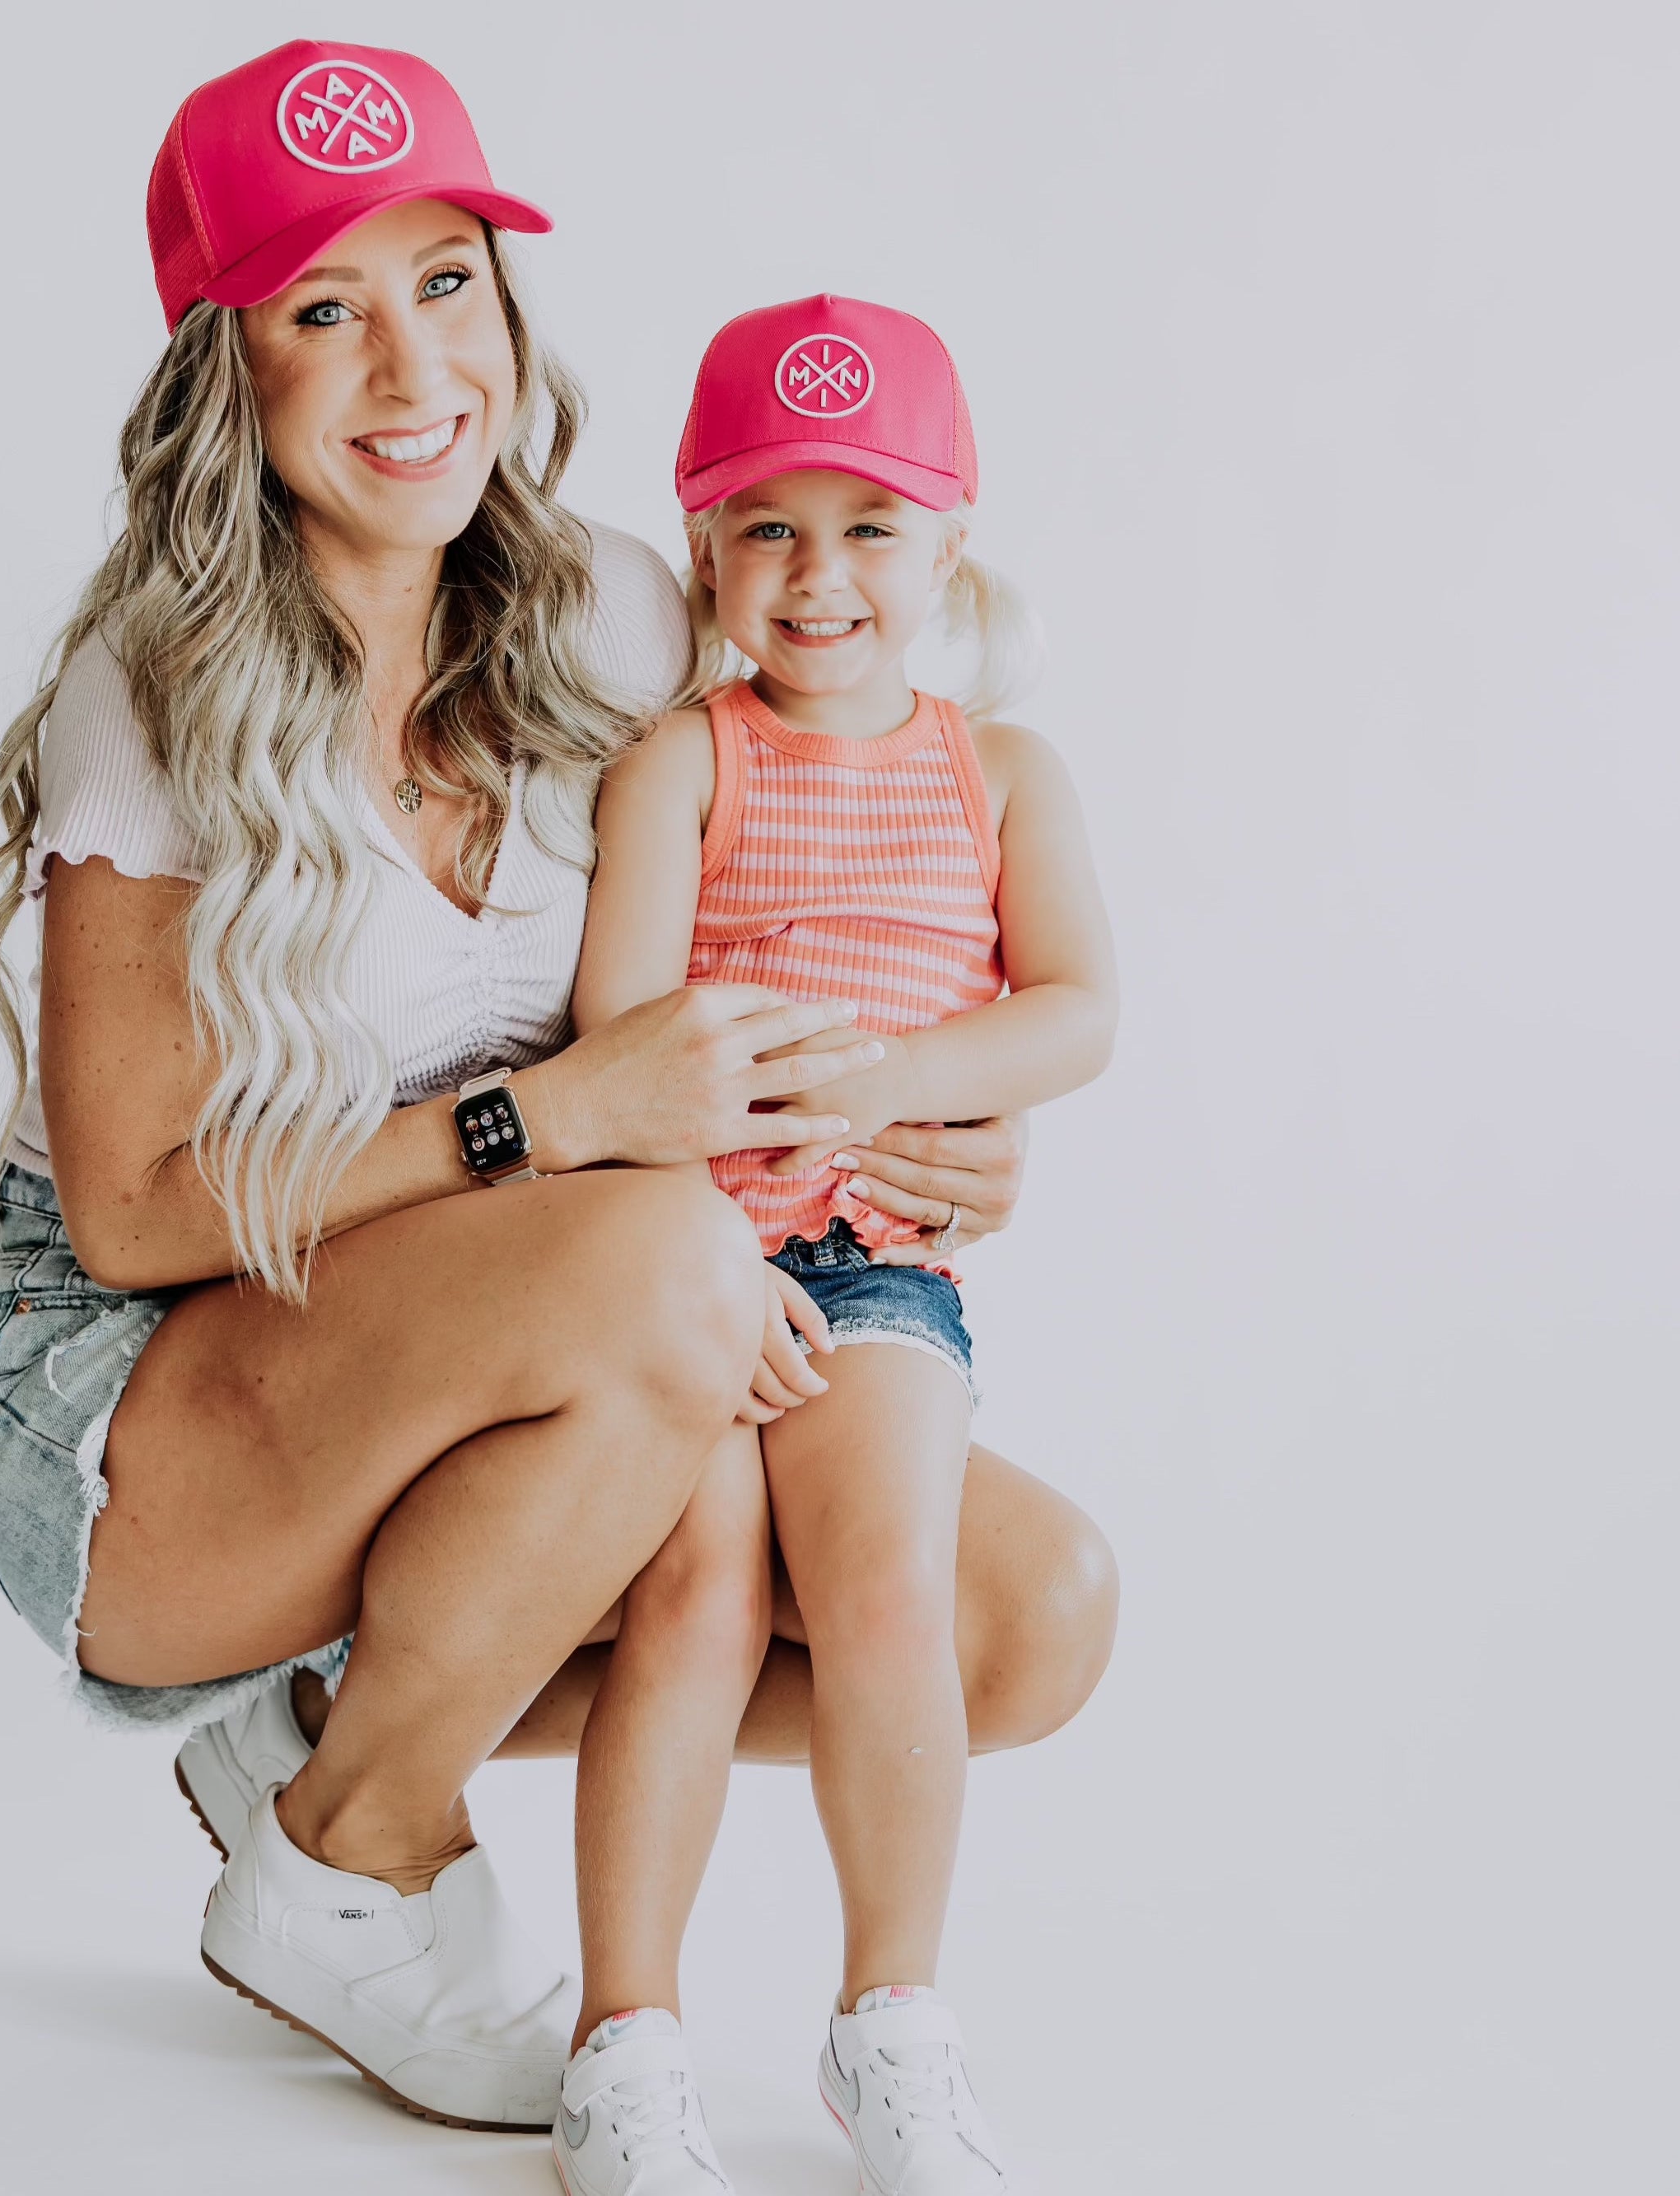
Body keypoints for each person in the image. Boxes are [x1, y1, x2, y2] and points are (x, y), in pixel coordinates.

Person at [0, 39, 1116, 2140]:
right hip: (130, 1393)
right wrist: (548, 1126)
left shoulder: (616, 613)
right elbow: (125, 1208)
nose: (409, 366)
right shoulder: (161, 684)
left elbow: (820, 920)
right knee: (656, 1255)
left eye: (446, 281)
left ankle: (326, 1707)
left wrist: (936, 1112)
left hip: (530, 1315)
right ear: (229, 372)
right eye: (323, 309)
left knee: (1018, 1617)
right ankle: (351, 1844)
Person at [544, 296, 1118, 2195]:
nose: (818, 573)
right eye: (767, 524)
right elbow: (624, 1034)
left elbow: (1074, 1007)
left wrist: (887, 1083)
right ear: (702, 548)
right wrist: (698, 1241)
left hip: (873, 1266)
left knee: (883, 1590)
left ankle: (893, 2024)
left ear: (947, 542)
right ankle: (623, 2043)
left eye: (868, 522)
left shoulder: (1000, 771)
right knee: (693, 1603)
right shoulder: (682, 764)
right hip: (689, 1267)